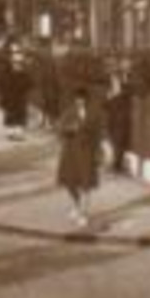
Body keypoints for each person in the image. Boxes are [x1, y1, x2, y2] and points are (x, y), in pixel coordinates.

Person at [55, 88, 101, 228]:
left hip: (87, 153)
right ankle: (76, 205)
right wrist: (70, 128)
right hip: (71, 152)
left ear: (86, 99)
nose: (80, 101)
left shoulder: (93, 114)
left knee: (86, 185)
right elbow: (60, 129)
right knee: (70, 183)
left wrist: (100, 152)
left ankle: (83, 214)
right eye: (78, 98)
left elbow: (98, 133)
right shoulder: (69, 112)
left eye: (82, 98)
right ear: (74, 99)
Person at [0, 38, 31, 141]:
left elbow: (28, 82)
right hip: (12, 93)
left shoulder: (16, 70)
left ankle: (14, 132)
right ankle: (12, 132)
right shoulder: (8, 68)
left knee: (15, 112)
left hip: (15, 93)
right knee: (13, 112)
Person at [104, 60, 132, 174]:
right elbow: (108, 99)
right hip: (113, 113)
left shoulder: (124, 81)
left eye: (113, 70)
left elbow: (123, 95)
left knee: (118, 138)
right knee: (113, 137)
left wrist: (113, 95)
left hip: (120, 114)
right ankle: (116, 163)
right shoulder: (111, 81)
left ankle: (117, 164)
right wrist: (109, 97)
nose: (111, 72)